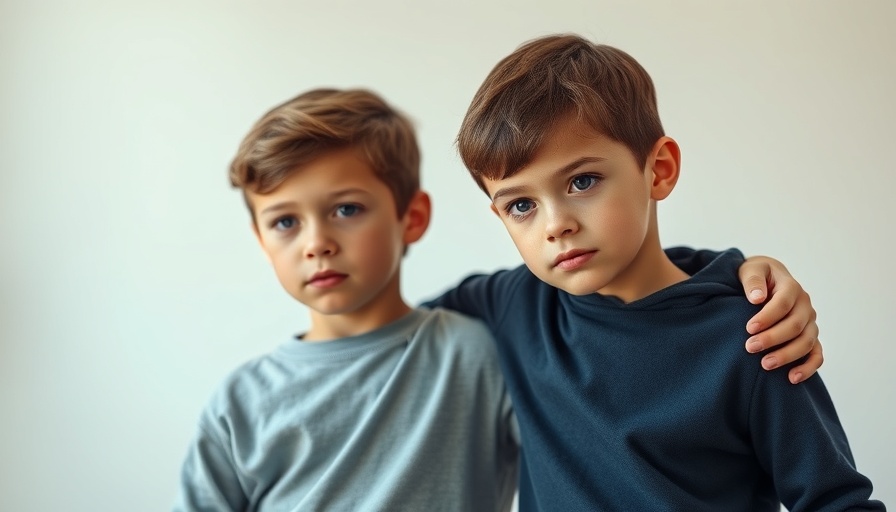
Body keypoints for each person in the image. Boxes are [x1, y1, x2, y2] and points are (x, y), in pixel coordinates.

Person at [426, 34, 884, 510]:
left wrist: (739, 273)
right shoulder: (515, 305)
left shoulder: (756, 335)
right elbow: (392, 326)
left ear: (659, 170)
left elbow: (838, 502)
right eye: (521, 205)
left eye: (582, 181)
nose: (555, 225)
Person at [173, 88, 519, 511]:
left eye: (346, 210)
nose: (316, 244)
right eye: (285, 222)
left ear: (412, 218)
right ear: (262, 241)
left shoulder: (475, 355)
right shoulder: (239, 404)